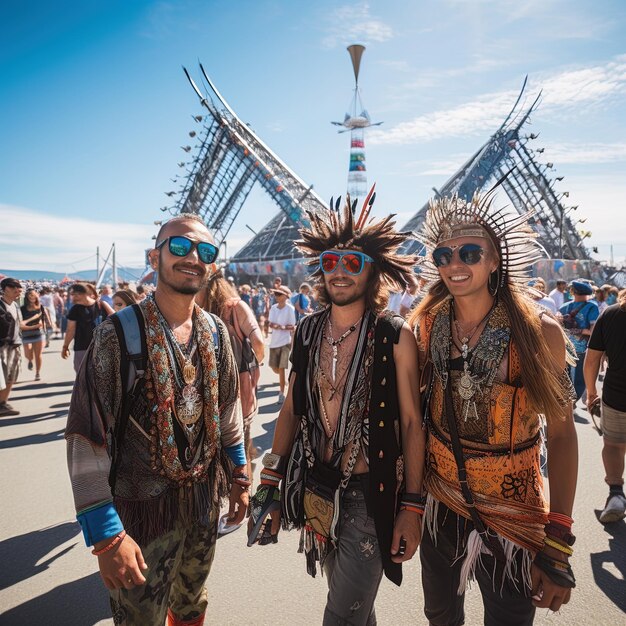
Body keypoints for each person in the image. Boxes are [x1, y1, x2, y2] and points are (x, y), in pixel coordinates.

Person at [248, 198, 426, 625]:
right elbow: (292, 408)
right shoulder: (309, 330)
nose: (340, 270)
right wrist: (270, 482)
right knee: (354, 608)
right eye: (330, 261)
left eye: (352, 261)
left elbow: (411, 423)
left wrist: (413, 507)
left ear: (372, 270)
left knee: (342, 615)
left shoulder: (393, 336)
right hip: (315, 488)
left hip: (371, 494)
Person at [65, 214, 248, 626]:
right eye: (179, 247)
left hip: (202, 504)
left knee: (191, 604)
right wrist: (106, 535)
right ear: (155, 256)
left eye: (205, 251)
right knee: (140, 617)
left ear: (213, 265)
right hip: (140, 514)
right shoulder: (116, 336)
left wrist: (239, 478)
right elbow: (85, 436)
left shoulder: (216, 332)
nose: (193, 258)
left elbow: (228, 413)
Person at [411, 193, 578, 624]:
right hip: (440, 505)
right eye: (443, 254)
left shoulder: (538, 332)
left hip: (513, 513)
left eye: (469, 252)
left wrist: (558, 541)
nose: (454, 263)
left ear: (494, 262)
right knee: (439, 617)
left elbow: (561, 435)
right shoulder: (428, 324)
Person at [198, 271, 264, 534]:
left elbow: (259, 343)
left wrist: (252, 368)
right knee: (234, 441)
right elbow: (258, 344)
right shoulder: (217, 310)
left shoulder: (235, 308)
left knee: (238, 440)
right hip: (230, 387)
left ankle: (239, 507)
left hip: (232, 387)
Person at [584, 288, 626, 523]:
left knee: (613, 445)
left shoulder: (611, 314)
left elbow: (592, 360)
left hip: (617, 395)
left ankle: (616, 495)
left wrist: (591, 393)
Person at [558, 280, 599, 402]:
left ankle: (568, 402)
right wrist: (581, 331)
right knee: (579, 379)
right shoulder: (592, 307)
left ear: (573, 292)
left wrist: (571, 331)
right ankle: (572, 402)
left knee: (566, 377)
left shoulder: (563, 307)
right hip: (581, 349)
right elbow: (592, 332)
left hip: (564, 348)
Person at [62, 283, 114, 373]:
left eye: (73, 294)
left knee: (83, 376)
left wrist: (65, 347)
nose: (71, 298)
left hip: (94, 348)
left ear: (80, 294)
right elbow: (70, 329)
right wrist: (65, 346)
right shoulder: (77, 308)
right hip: (90, 347)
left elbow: (70, 329)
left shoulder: (101, 305)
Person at [267, 285, 296, 404]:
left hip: (285, 342)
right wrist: (277, 326)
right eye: (276, 294)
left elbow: (292, 326)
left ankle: (281, 392)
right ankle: (283, 381)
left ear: (286, 296)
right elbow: (270, 323)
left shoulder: (290, 309)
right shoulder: (273, 308)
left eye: (279, 294)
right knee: (274, 368)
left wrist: (281, 327)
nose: (276, 296)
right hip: (274, 342)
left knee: (281, 367)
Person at [0, 277, 23, 417]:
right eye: (14, 287)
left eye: (19, 287)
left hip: (15, 345)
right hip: (2, 347)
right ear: (5, 289)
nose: (18, 290)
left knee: (11, 376)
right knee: (2, 376)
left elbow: (19, 324)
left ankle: (3, 403)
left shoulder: (15, 305)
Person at [20, 288, 52, 381]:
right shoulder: (22, 309)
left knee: (38, 355)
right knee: (28, 354)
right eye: (30, 295)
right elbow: (20, 323)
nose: (32, 297)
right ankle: (30, 360)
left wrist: (48, 324)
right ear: (27, 297)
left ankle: (37, 373)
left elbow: (46, 319)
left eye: (33, 295)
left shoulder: (41, 307)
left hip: (39, 334)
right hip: (26, 334)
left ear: (37, 296)